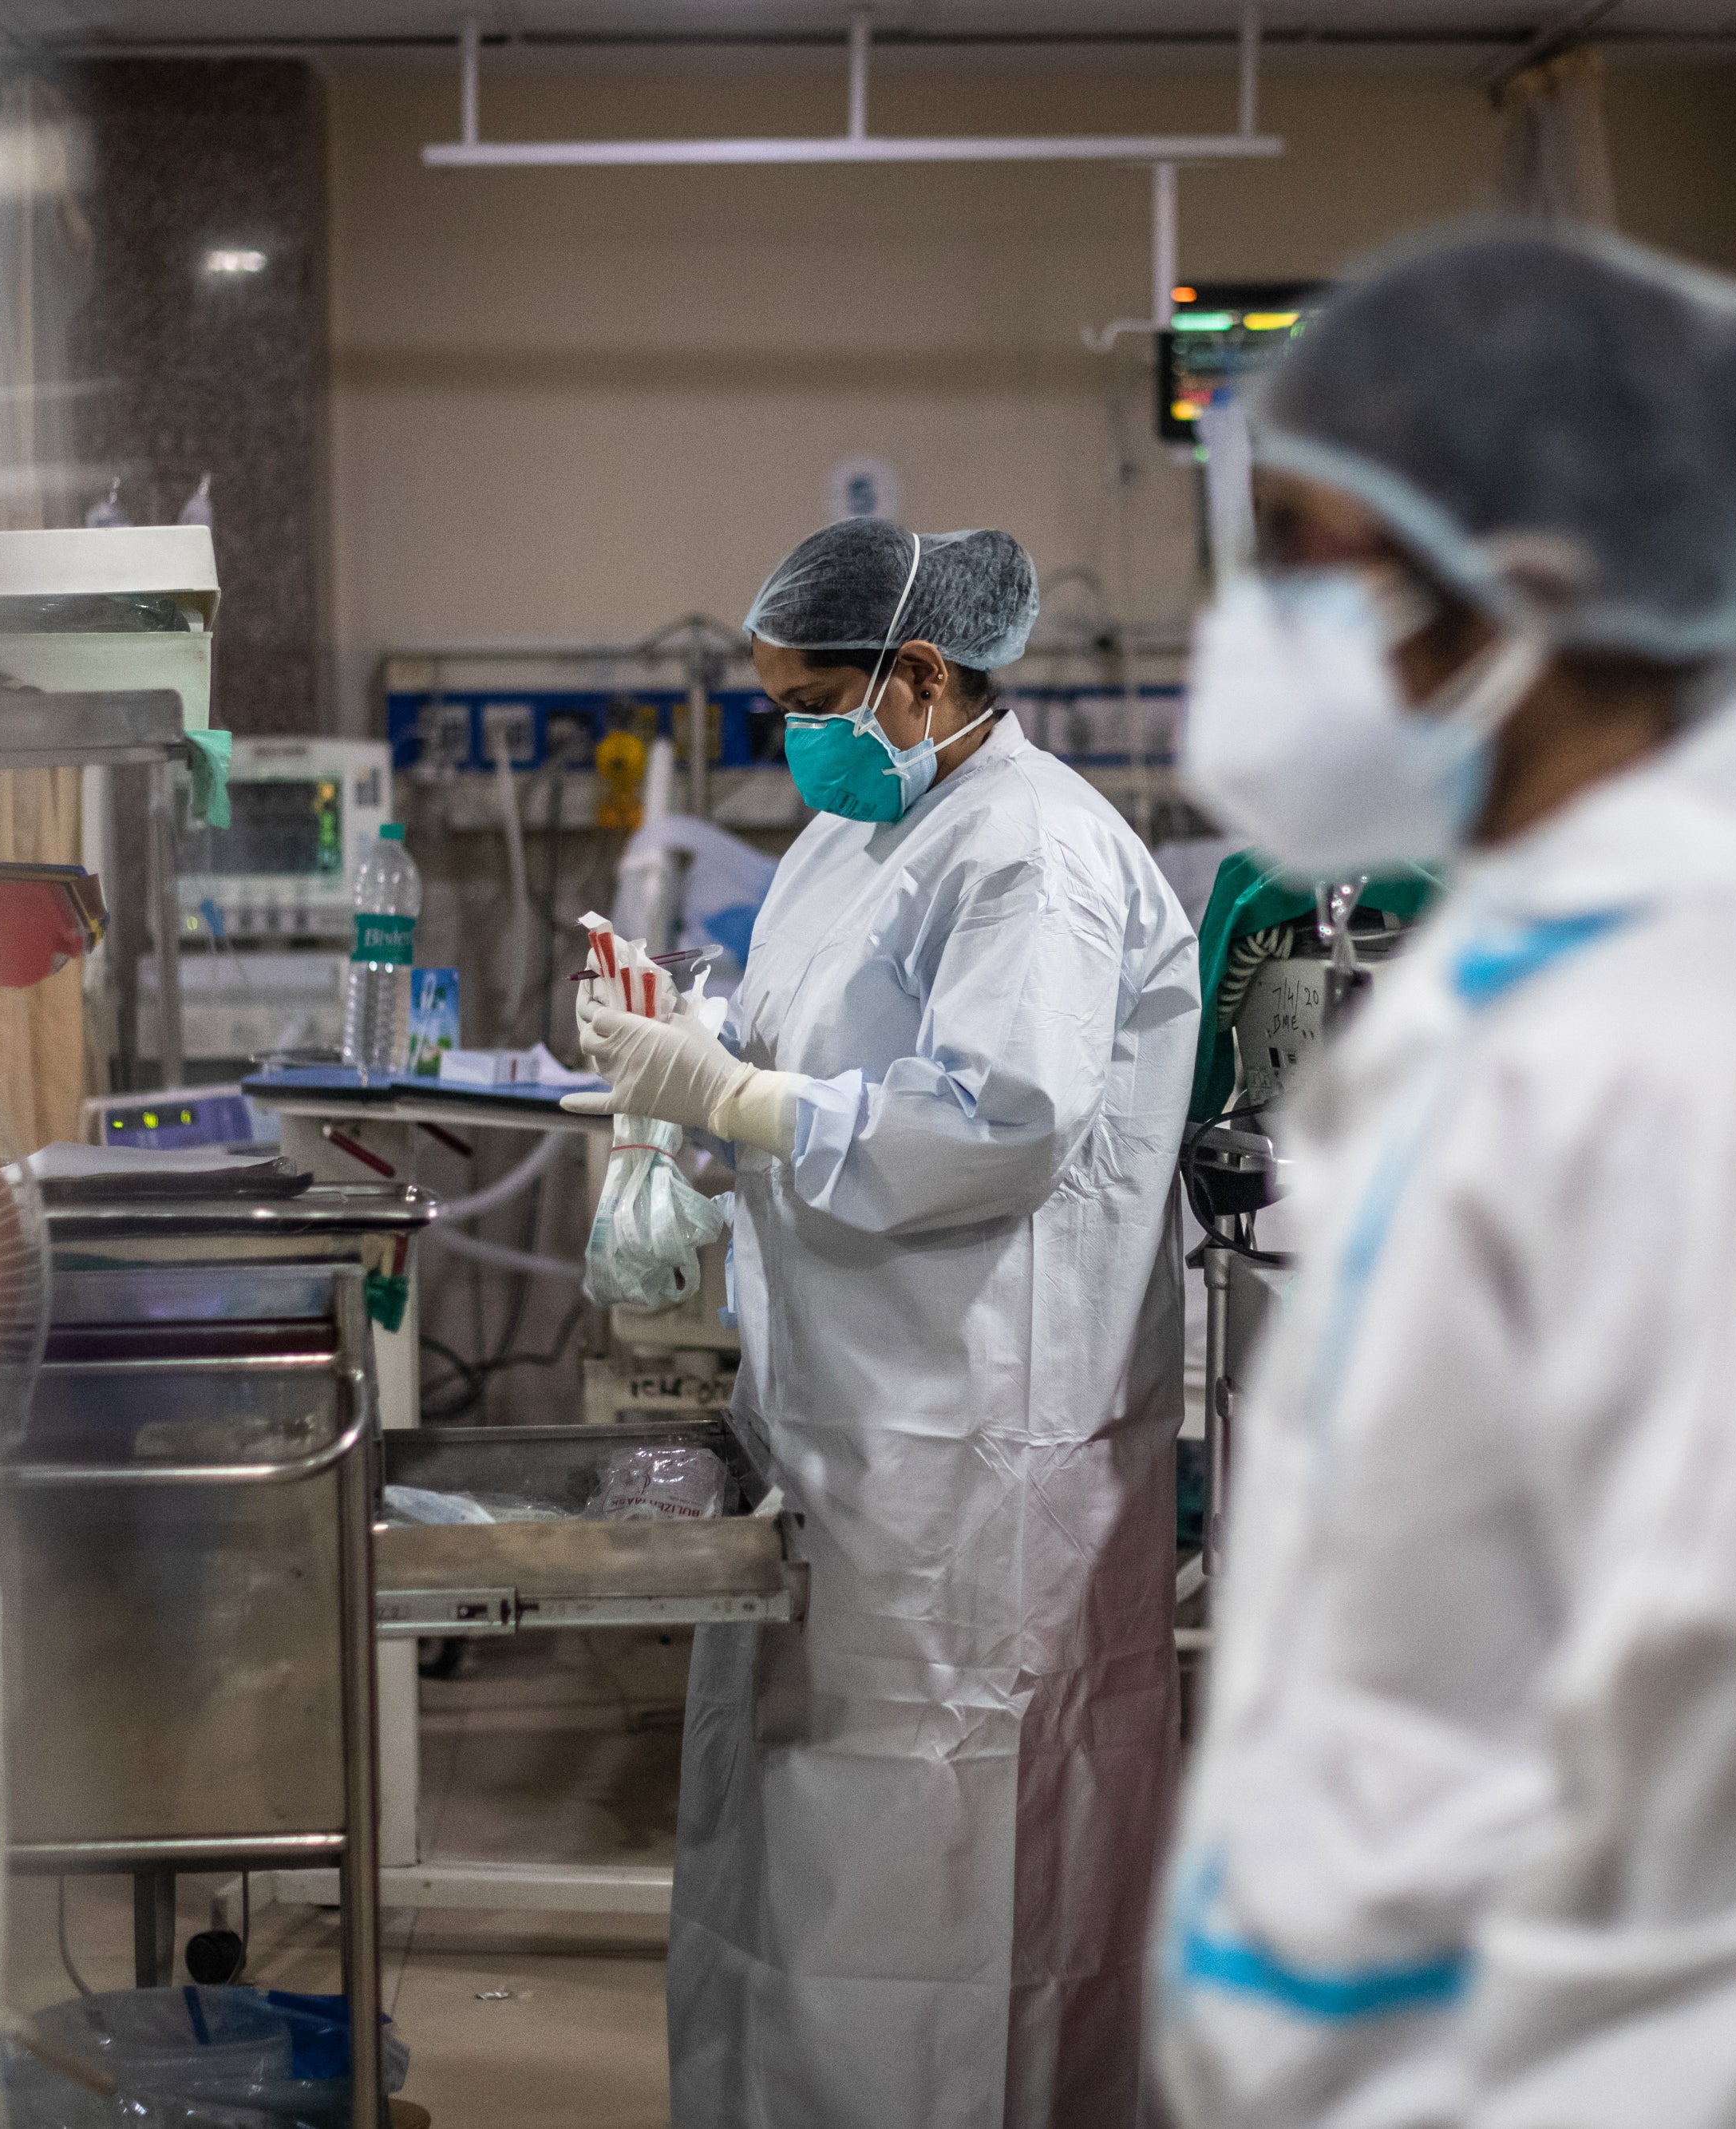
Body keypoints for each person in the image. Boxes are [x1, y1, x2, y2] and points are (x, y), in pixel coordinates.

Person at [1151, 220, 1736, 2127]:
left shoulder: (1686, 1057)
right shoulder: (1518, 995)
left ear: (1520, 589)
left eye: (1314, 565)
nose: (1262, 637)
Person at [564, 516, 1201, 2128]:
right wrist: (680, 1064)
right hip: (843, 1432)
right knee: (798, 1874)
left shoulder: (1031, 856)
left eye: (810, 696)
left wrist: (735, 1096)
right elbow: (790, 1063)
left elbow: (996, 1119)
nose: (792, 734)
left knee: (955, 1878)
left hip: (981, 1454)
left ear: (918, 675)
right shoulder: (847, 843)